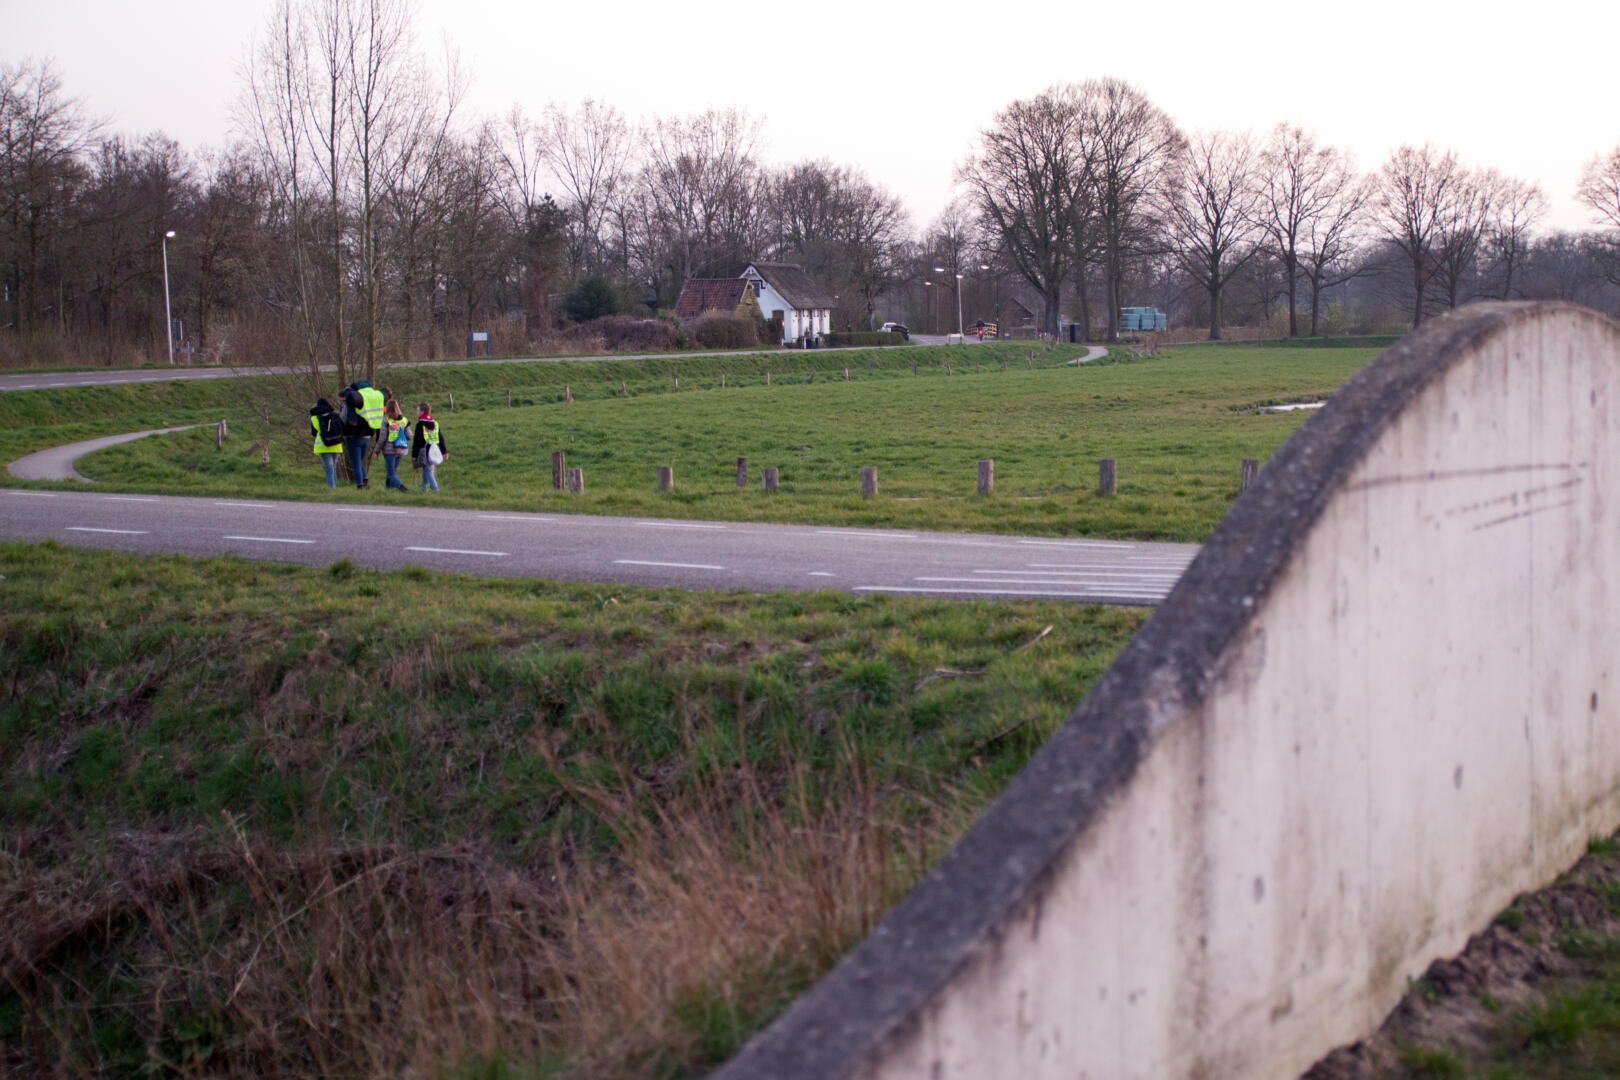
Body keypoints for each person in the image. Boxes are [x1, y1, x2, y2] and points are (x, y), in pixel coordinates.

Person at [340, 380, 385, 489]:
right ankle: (365, 481)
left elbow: (344, 419)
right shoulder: (367, 403)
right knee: (360, 461)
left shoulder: (349, 405)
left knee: (356, 463)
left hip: (354, 437)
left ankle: (359, 485)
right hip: (368, 436)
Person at [411, 400, 447, 493]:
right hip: (434, 450)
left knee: (427, 470)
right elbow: (441, 437)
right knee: (427, 470)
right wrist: (444, 451)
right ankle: (424, 490)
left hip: (424, 450)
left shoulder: (420, 425)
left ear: (422, 412)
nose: (417, 413)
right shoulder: (435, 423)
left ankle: (436, 490)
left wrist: (414, 455)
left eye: (418, 411)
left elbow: (417, 441)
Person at [309, 397, 345, 488]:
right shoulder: (335, 416)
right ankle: (334, 488)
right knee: (334, 467)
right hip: (336, 444)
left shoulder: (314, 418)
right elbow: (343, 428)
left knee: (329, 469)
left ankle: (331, 489)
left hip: (323, 446)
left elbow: (313, 433)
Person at [380, 398, 411, 491]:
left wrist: (377, 450)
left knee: (391, 473)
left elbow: (382, 438)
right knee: (392, 471)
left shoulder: (386, 421)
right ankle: (388, 489)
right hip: (400, 449)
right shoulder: (404, 420)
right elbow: (409, 435)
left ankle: (402, 488)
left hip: (389, 450)